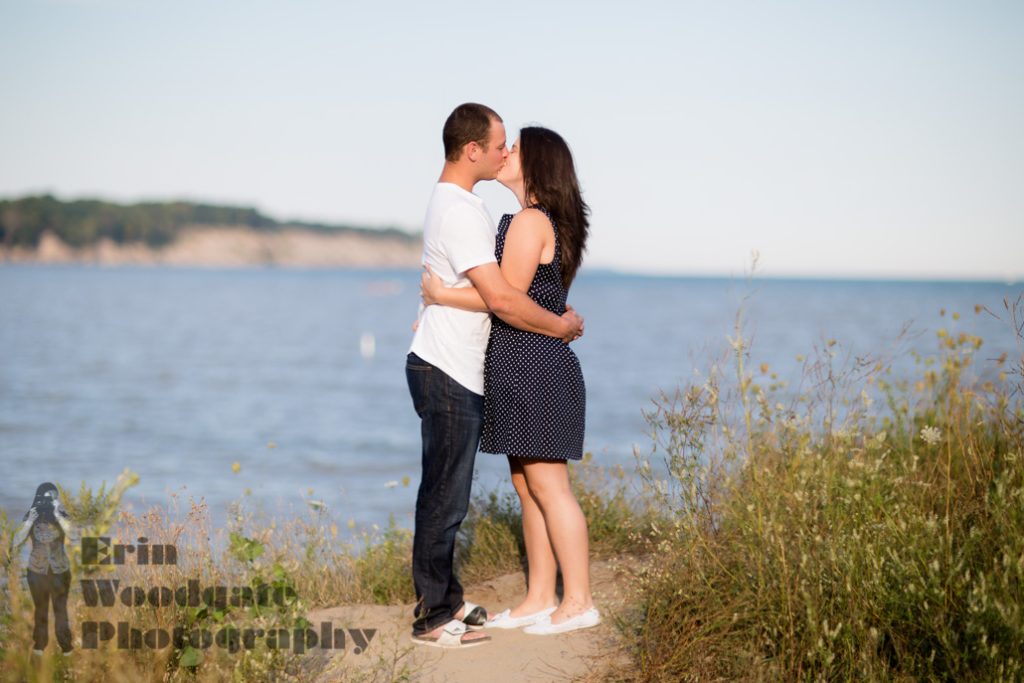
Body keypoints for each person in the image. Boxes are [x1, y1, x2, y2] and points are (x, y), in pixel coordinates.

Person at [406, 104, 585, 648]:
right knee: (470, 491)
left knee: (524, 488)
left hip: (511, 366)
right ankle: (457, 608)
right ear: (473, 150)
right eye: (501, 143)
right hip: (473, 366)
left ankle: (564, 599)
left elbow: (504, 296)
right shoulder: (472, 211)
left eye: (516, 147)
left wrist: (440, 297)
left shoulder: (503, 216)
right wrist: (441, 301)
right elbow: (500, 296)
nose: (507, 152)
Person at [12, 482, 74, 656]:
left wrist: (59, 515)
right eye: (45, 498)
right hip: (36, 571)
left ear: (57, 499)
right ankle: (39, 647)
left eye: (52, 498)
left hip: (60, 571)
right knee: (40, 609)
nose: (48, 502)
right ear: (38, 498)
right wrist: (28, 522)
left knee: (60, 610)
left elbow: (74, 536)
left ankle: (66, 648)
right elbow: (16, 541)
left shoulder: (61, 515)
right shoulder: (31, 515)